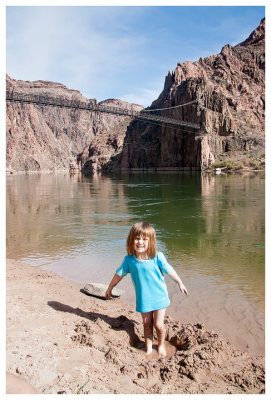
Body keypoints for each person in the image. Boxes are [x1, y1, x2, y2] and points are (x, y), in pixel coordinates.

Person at [105, 221, 188, 358]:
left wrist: (180, 282)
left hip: (160, 296)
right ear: (132, 240)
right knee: (146, 324)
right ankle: (148, 348)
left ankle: (160, 345)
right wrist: (110, 287)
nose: (141, 242)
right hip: (144, 299)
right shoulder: (129, 260)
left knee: (158, 324)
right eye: (137, 238)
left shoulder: (157, 257)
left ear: (151, 241)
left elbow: (169, 270)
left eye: (145, 239)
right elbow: (119, 275)